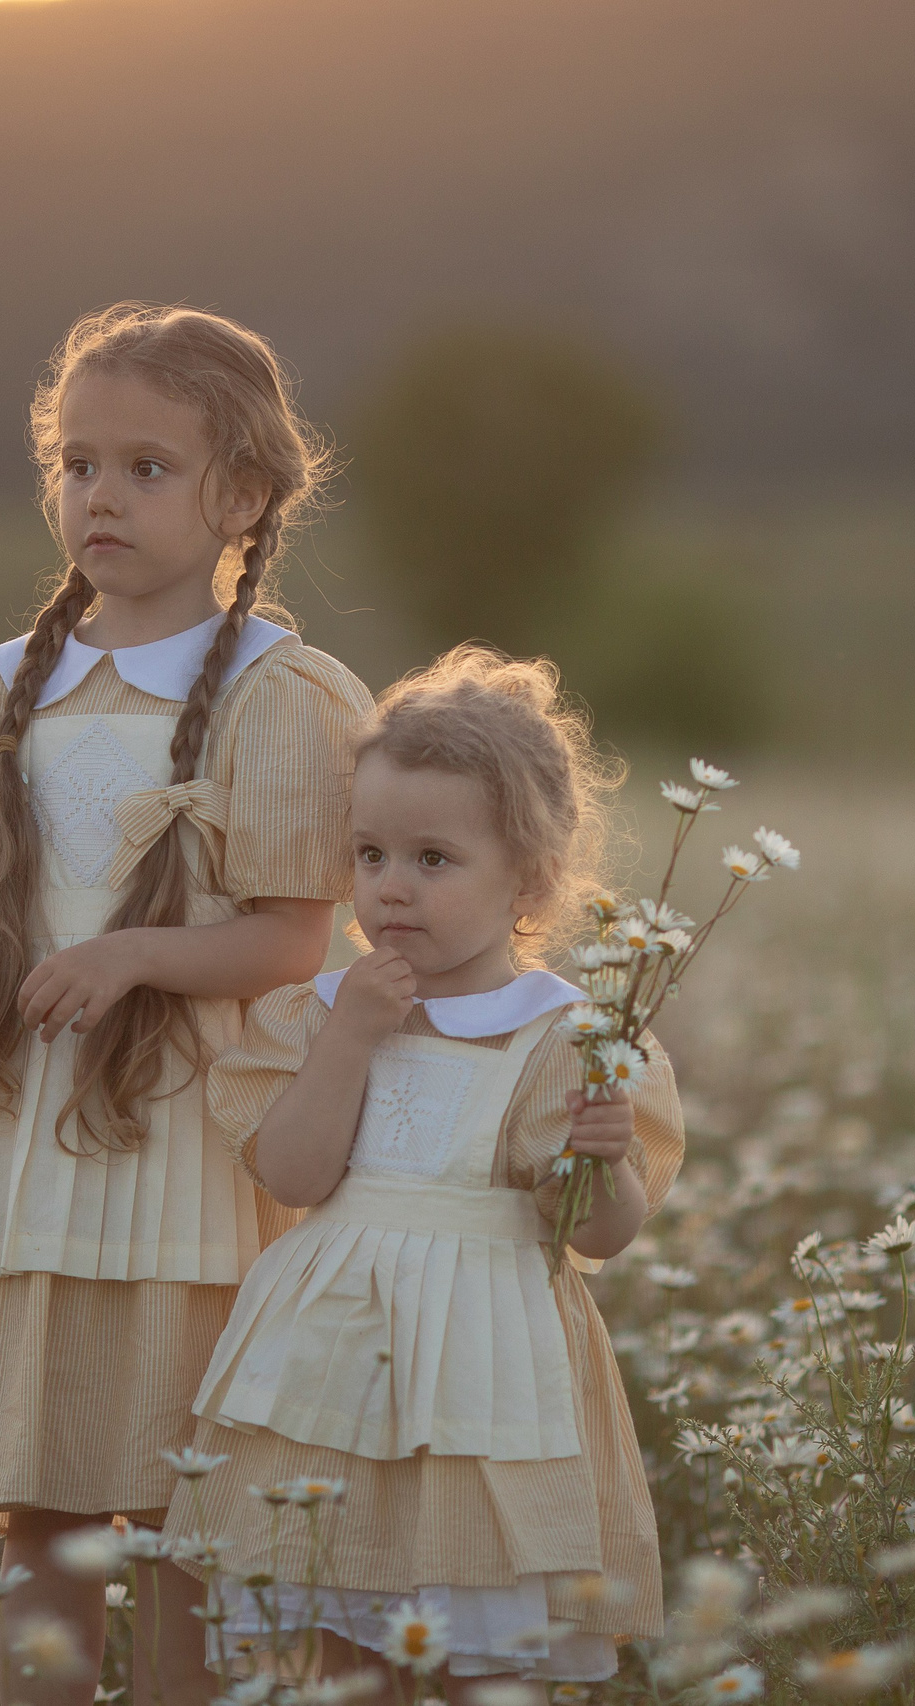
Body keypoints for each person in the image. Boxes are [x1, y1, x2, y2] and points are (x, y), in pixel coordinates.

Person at [0, 303, 374, 1706]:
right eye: (77, 462)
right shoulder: (3, 688)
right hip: (26, 1146)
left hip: (185, 1156)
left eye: (147, 468)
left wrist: (135, 959)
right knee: (39, 1511)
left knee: (180, 1509)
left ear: (242, 496)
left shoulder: (276, 695)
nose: (100, 494)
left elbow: (296, 937)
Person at [179, 646, 683, 1688]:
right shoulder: (321, 1010)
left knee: (480, 1631)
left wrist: (600, 1160)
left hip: (485, 1368)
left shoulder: (560, 1035)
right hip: (330, 1361)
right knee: (314, 1621)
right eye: (369, 854)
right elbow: (294, 1173)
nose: (390, 887)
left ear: (528, 879)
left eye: (432, 859)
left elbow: (595, 1233)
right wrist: (351, 1037)